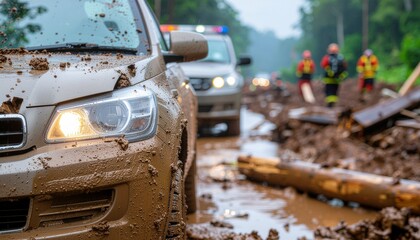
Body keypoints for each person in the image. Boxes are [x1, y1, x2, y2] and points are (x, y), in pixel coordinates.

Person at [320, 43, 348, 108]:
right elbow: (345, 68)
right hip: (336, 80)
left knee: (329, 91)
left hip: (329, 79)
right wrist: (341, 77)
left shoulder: (327, 57)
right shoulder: (341, 58)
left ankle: (330, 105)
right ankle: (332, 104)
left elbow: (323, 65)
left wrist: (330, 73)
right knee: (335, 92)